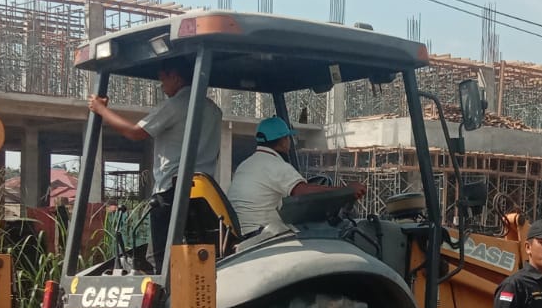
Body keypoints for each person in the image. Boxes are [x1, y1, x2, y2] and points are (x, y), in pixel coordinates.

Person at [86, 57, 222, 271]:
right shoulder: (213, 110)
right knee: (199, 255)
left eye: (163, 79)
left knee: (160, 258)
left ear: (175, 77)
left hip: (171, 191)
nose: (161, 86)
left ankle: (163, 289)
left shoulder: (176, 105)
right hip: (202, 194)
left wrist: (101, 109)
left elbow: (136, 132)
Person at [227, 116, 353, 237]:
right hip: (261, 235)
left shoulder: (245, 165)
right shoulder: (276, 165)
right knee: (328, 233)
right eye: (288, 138)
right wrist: (346, 191)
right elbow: (302, 192)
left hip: (238, 234)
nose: (290, 142)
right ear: (283, 141)